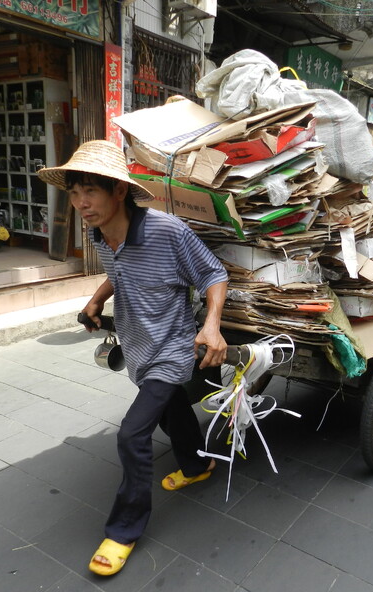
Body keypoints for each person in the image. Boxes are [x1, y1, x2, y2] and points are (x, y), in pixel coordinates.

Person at [38, 140, 229, 576]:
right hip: (139, 346)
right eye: (74, 193)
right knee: (172, 408)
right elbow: (117, 269)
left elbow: (213, 273)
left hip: (173, 347)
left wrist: (212, 324)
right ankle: (196, 465)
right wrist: (95, 301)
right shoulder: (99, 233)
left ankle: (124, 529)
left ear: (118, 192)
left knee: (131, 435)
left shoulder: (168, 232)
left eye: (91, 191)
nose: (81, 203)